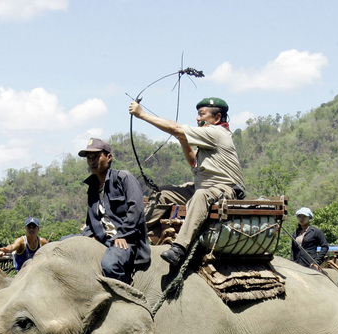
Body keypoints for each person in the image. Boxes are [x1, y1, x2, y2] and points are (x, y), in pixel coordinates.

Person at [129, 96, 245, 266]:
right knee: (164, 193)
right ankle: (136, 233)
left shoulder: (217, 133)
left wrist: (142, 114)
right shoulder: (207, 139)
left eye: (202, 114)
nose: (198, 118)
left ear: (217, 118)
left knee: (201, 195)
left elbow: (176, 128)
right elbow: (194, 162)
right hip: (204, 187)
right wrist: (184, 140)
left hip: (226, 189)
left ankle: (180, 248)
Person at [80, 138, 151, 283]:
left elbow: (136, 210)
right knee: (62, 245)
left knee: (110, 265)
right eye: (89, 158)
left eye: (96, 156)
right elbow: (91, 220)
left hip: (125, 241)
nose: (92, 161)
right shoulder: (92, 187)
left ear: (109, 157)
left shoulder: (123, 178)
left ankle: (122, 298)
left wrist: (122, 235)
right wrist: (89, 235)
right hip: (102, 239)